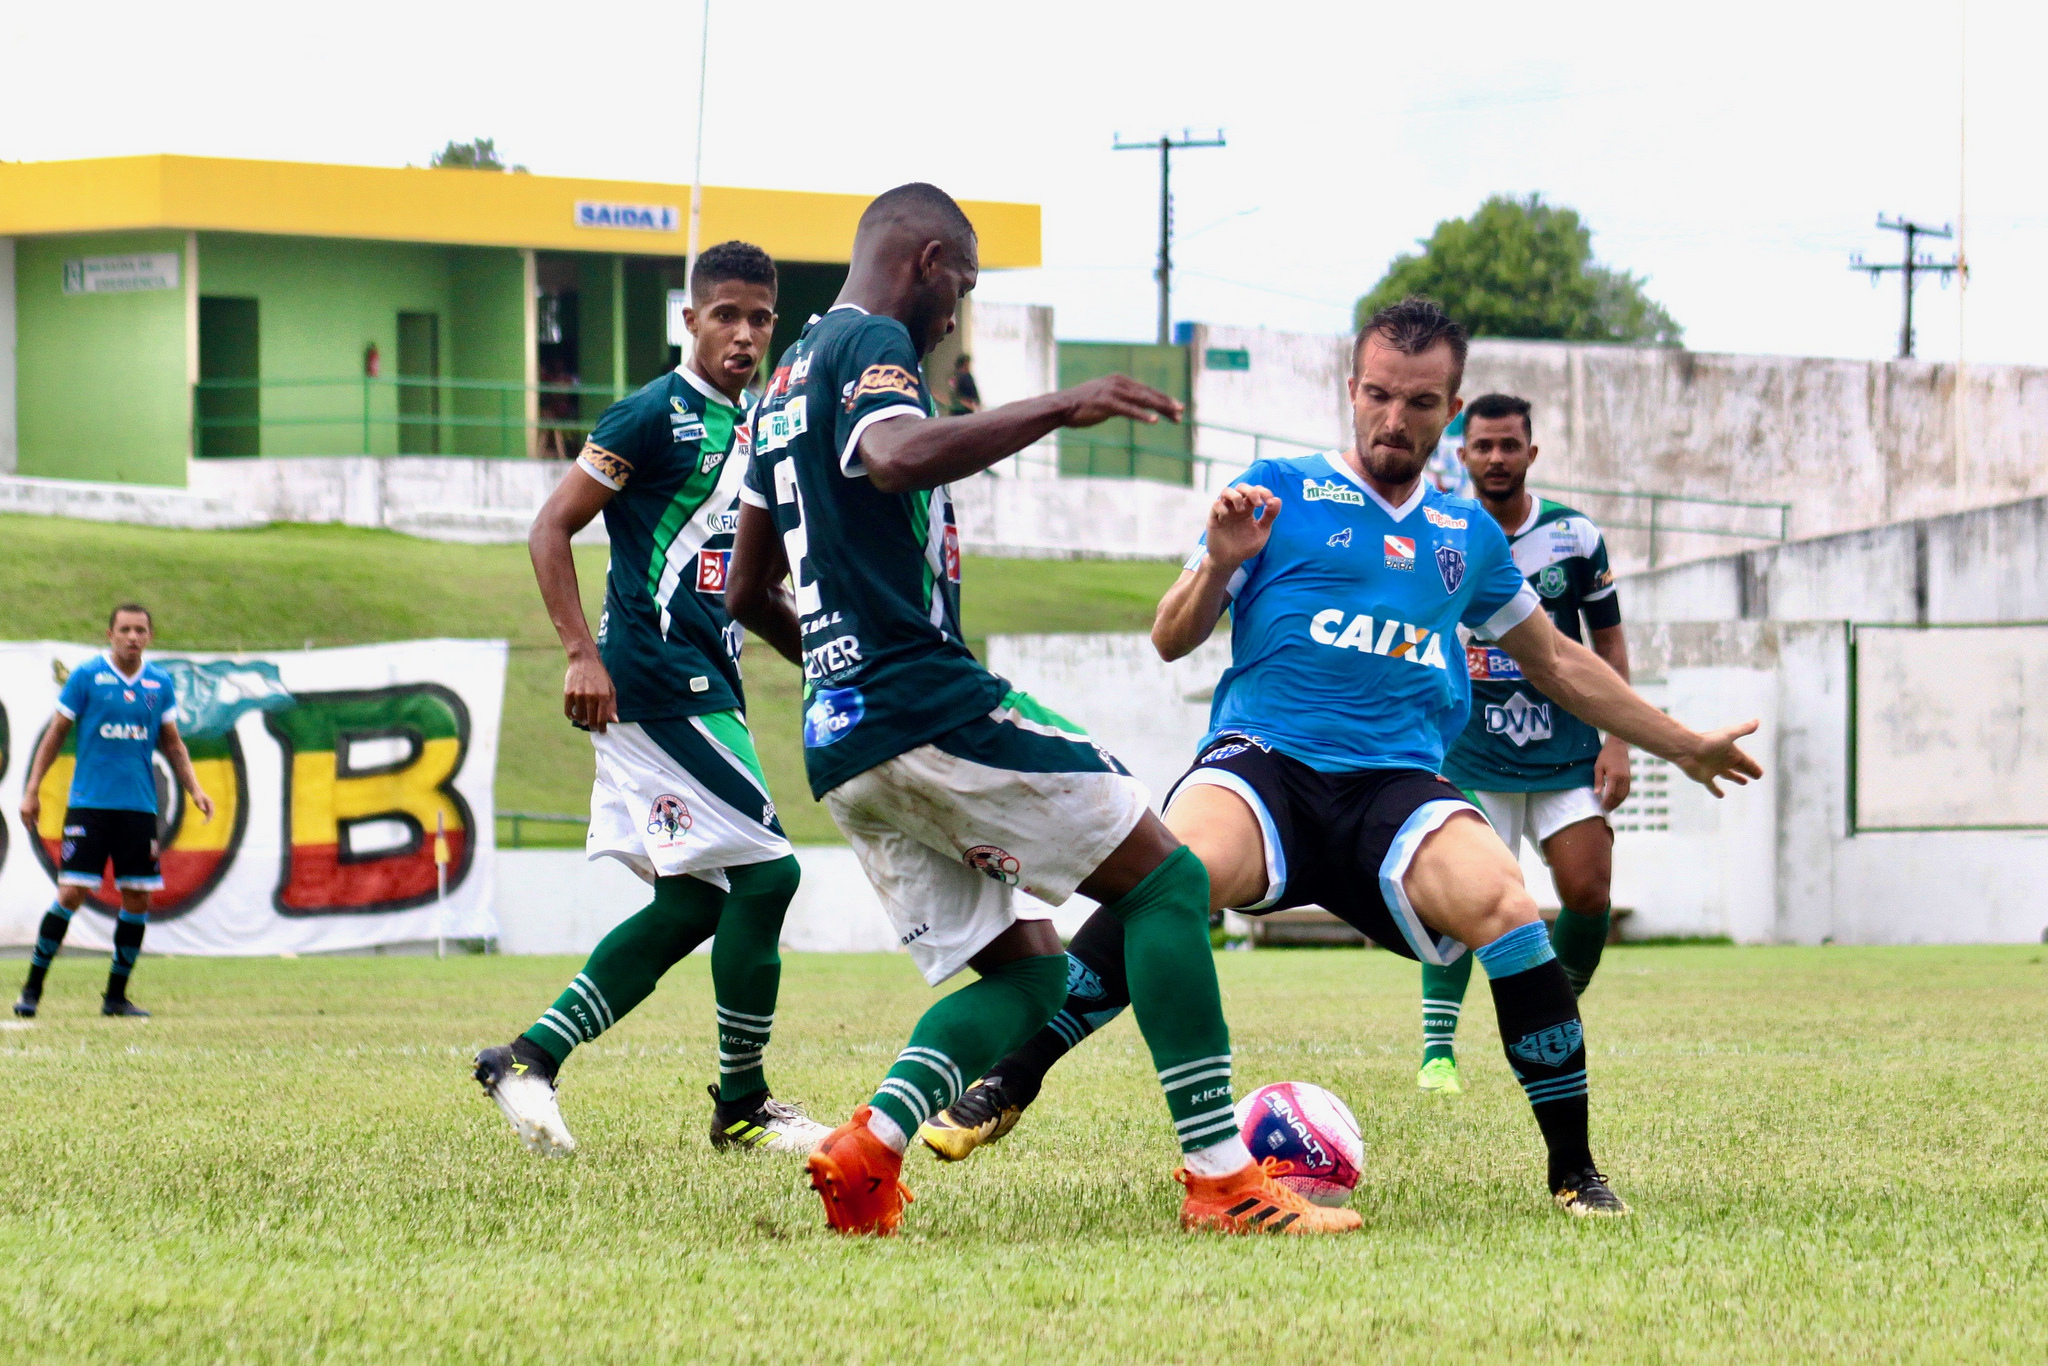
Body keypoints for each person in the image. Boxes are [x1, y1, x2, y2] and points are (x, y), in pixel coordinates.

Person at [922, 298, 1763, 1217]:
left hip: (1396, 788)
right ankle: (1009, 1081)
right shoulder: (1274, 493)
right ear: (1352, 389)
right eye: (1380, 395)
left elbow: (1558, 662)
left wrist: (1682, 743)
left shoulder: (1468, 538)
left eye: (1421, 402)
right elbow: (1169, 637)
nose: (1395, 419)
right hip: (1264, 764)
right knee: (1172, 876)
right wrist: (1219, 561)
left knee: (1509, 906)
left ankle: (1576, 1172)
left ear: (1449, 411)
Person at [726, 182, 1357, 1237]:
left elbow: (748, 590)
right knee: (1169, 881)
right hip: (921, 704)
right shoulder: (871, 341)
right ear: (927, 262)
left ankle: (871, 1149)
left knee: (1031, 979)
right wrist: (1063, 405)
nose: (952, 318)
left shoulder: (779, 381)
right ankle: (1223, 1181)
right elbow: (894, 456)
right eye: (961, 288)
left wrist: (842, 674)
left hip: (842, 743)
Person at [472, 241, 830, 1158]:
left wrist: (830, 656)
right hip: (655, 679)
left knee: (695, 905)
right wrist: (579, 654)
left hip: (708, 683)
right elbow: (550, 527)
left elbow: (752, 586)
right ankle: (742, 1105)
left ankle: (528, 1059)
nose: (743, 334)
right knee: (770, 875)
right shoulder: (650, 415)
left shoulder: (752, 429)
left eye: (759, 318)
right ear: (691, 319)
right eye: (726, 316)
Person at [1417, 393, 1632, 1096]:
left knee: (1588, 891)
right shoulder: (1440, 528)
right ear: (1463, 454)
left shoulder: (1574, 536)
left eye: (1510, 445)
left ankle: (1551, 1019)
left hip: (1566, 749)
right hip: (1471, 753)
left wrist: (1619, 740)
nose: (1497, 457)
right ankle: (1438, 1053)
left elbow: (1607, 643)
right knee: (1458, 897)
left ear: (1531, 453)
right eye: (1483, 446)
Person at [15, 604, 214, 1019]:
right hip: (89, 806)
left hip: (138, 808)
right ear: (110, 634)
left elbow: (173, 743)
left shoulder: (159, 683)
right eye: (125, 629)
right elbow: (56, 733)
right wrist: (32, 790)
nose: (132, 637)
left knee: (138, 897)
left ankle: (116, 998)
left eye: (140, 630)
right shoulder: (87, 676)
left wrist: (195, 788)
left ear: (150, 636)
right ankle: (31, 990)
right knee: (71, 892)